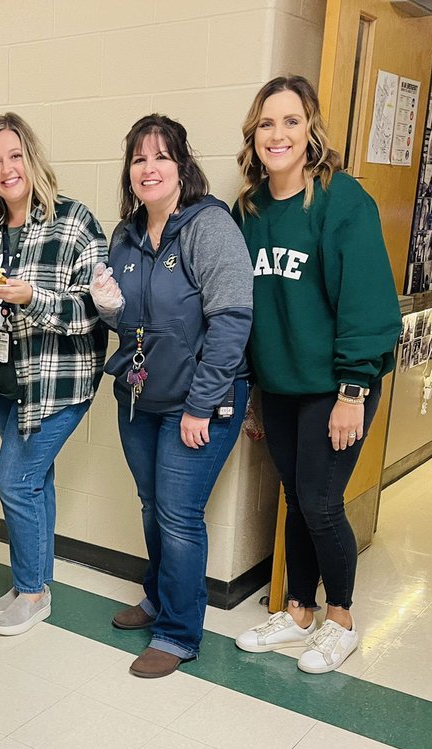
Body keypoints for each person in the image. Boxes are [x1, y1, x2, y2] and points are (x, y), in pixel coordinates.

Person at [232, 75, 402, 674]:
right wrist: (251, 391)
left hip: (337, 385)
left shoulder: (341, 200)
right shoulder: (250, 210)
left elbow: (365, 303)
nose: (277, 134)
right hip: (280, 384)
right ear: (254, 135)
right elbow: (246, 310)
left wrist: (353, 391)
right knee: (295, 498)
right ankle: (298, 610)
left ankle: (341, 619)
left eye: (291, 121)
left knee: (322, 503)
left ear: (311, 131)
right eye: (266, 123)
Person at [91, 114, 253, 679]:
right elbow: (132, 324)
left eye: (161, 156)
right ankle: (159, 597)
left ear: (182, 165)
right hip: (140, 397)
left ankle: (179, 633)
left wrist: (201, 405)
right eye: (139, 159)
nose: (149, 168)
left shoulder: (210, 226)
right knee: (151, 504)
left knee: (179, 515)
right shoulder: (126, 234)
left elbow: (232, 321)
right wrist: (107, 309)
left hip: (200, 401)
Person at [0, 113, 107, 637]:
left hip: (58, 383)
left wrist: (33, 297)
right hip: (4, 384)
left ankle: (32, 593)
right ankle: (34, 580)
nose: (6, 169)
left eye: (14, 156)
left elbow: (94, 312)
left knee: (15, 481)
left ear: (32, 159)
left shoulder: (74, 222)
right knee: (37, 480)